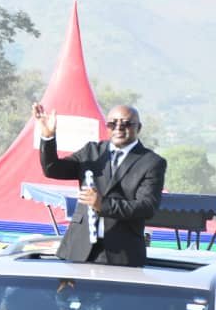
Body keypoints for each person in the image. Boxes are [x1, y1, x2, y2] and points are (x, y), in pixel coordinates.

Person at [33, 102, 166, 267]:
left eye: (126, 123)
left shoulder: (151, 162)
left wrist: (102, 204)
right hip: (79, 249)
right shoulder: (92, 151)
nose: (118, 128)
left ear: (138, 127)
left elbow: (147, 207)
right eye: (112, 123)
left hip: (122, 253)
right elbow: (53, 170)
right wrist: (48, 137)